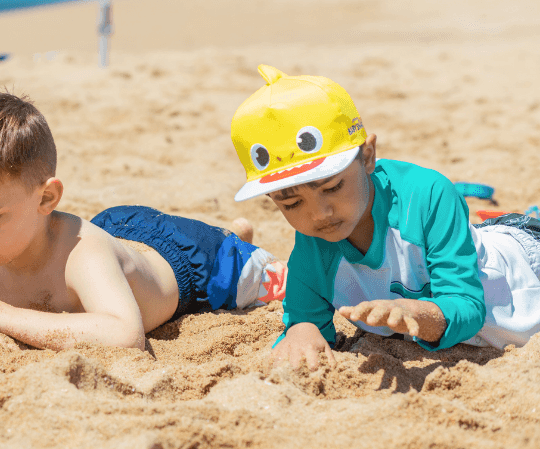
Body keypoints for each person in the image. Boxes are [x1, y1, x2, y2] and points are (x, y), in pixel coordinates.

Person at [0, 91, 286, 351]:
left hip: (187, 260)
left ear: (46, 197)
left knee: (267, 280)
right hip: (115, 233)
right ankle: (233, 231)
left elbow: (124, 336)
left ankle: (234, 240)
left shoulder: (83, 255)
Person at [229, 65, 540, 369]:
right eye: (292, 203)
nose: (319, 213)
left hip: (525, 265)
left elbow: (468, 307)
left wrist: (419, 315)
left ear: (367, 156)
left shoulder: (427, 195)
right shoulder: (313, 243)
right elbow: (304, 318)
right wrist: (302, 331)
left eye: (333, 186)